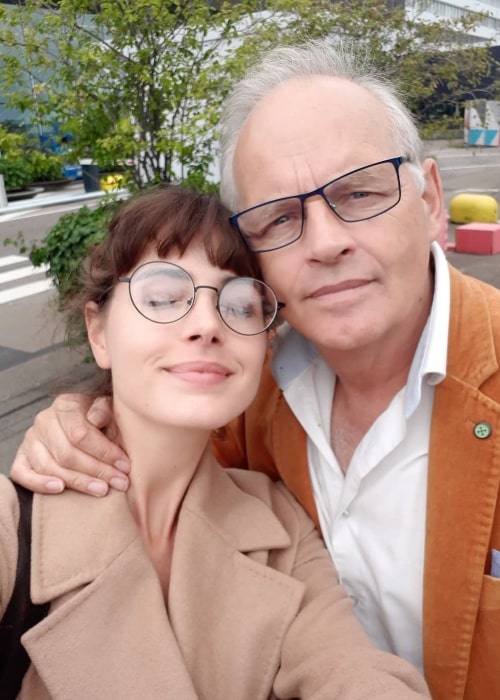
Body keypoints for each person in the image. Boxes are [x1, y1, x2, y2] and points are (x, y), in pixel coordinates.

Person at [9, 39, 500, 700]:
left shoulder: (271, 511)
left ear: (431, 200)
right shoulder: (247, 400)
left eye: (358, 192)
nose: (326, 243)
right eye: (279, 218)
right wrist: (80, 416)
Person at [0, 185, 432, 699]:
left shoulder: (282, 529)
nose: (207, 324)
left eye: (240, 304)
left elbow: (353, 673)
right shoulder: (12, 530)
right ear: (98, 334)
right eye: (162, 297)